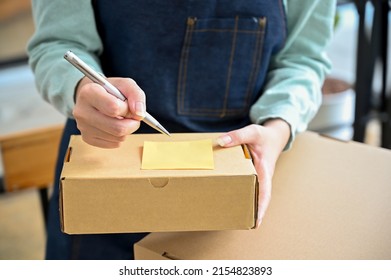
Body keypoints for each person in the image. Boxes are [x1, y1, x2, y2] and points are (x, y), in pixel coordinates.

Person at [27, 0, 336, 259]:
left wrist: (277, 128)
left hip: (236, 180)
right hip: (105, 170)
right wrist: (80, 86)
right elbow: (57, 44)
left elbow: (302, 58)